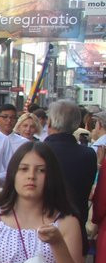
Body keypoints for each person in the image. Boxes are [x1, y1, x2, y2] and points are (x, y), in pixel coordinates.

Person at [41, 99, 96, 251]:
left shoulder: (36, 151)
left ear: (50, 122)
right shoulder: (88, 155)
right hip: (76, 231)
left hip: (41, 232)